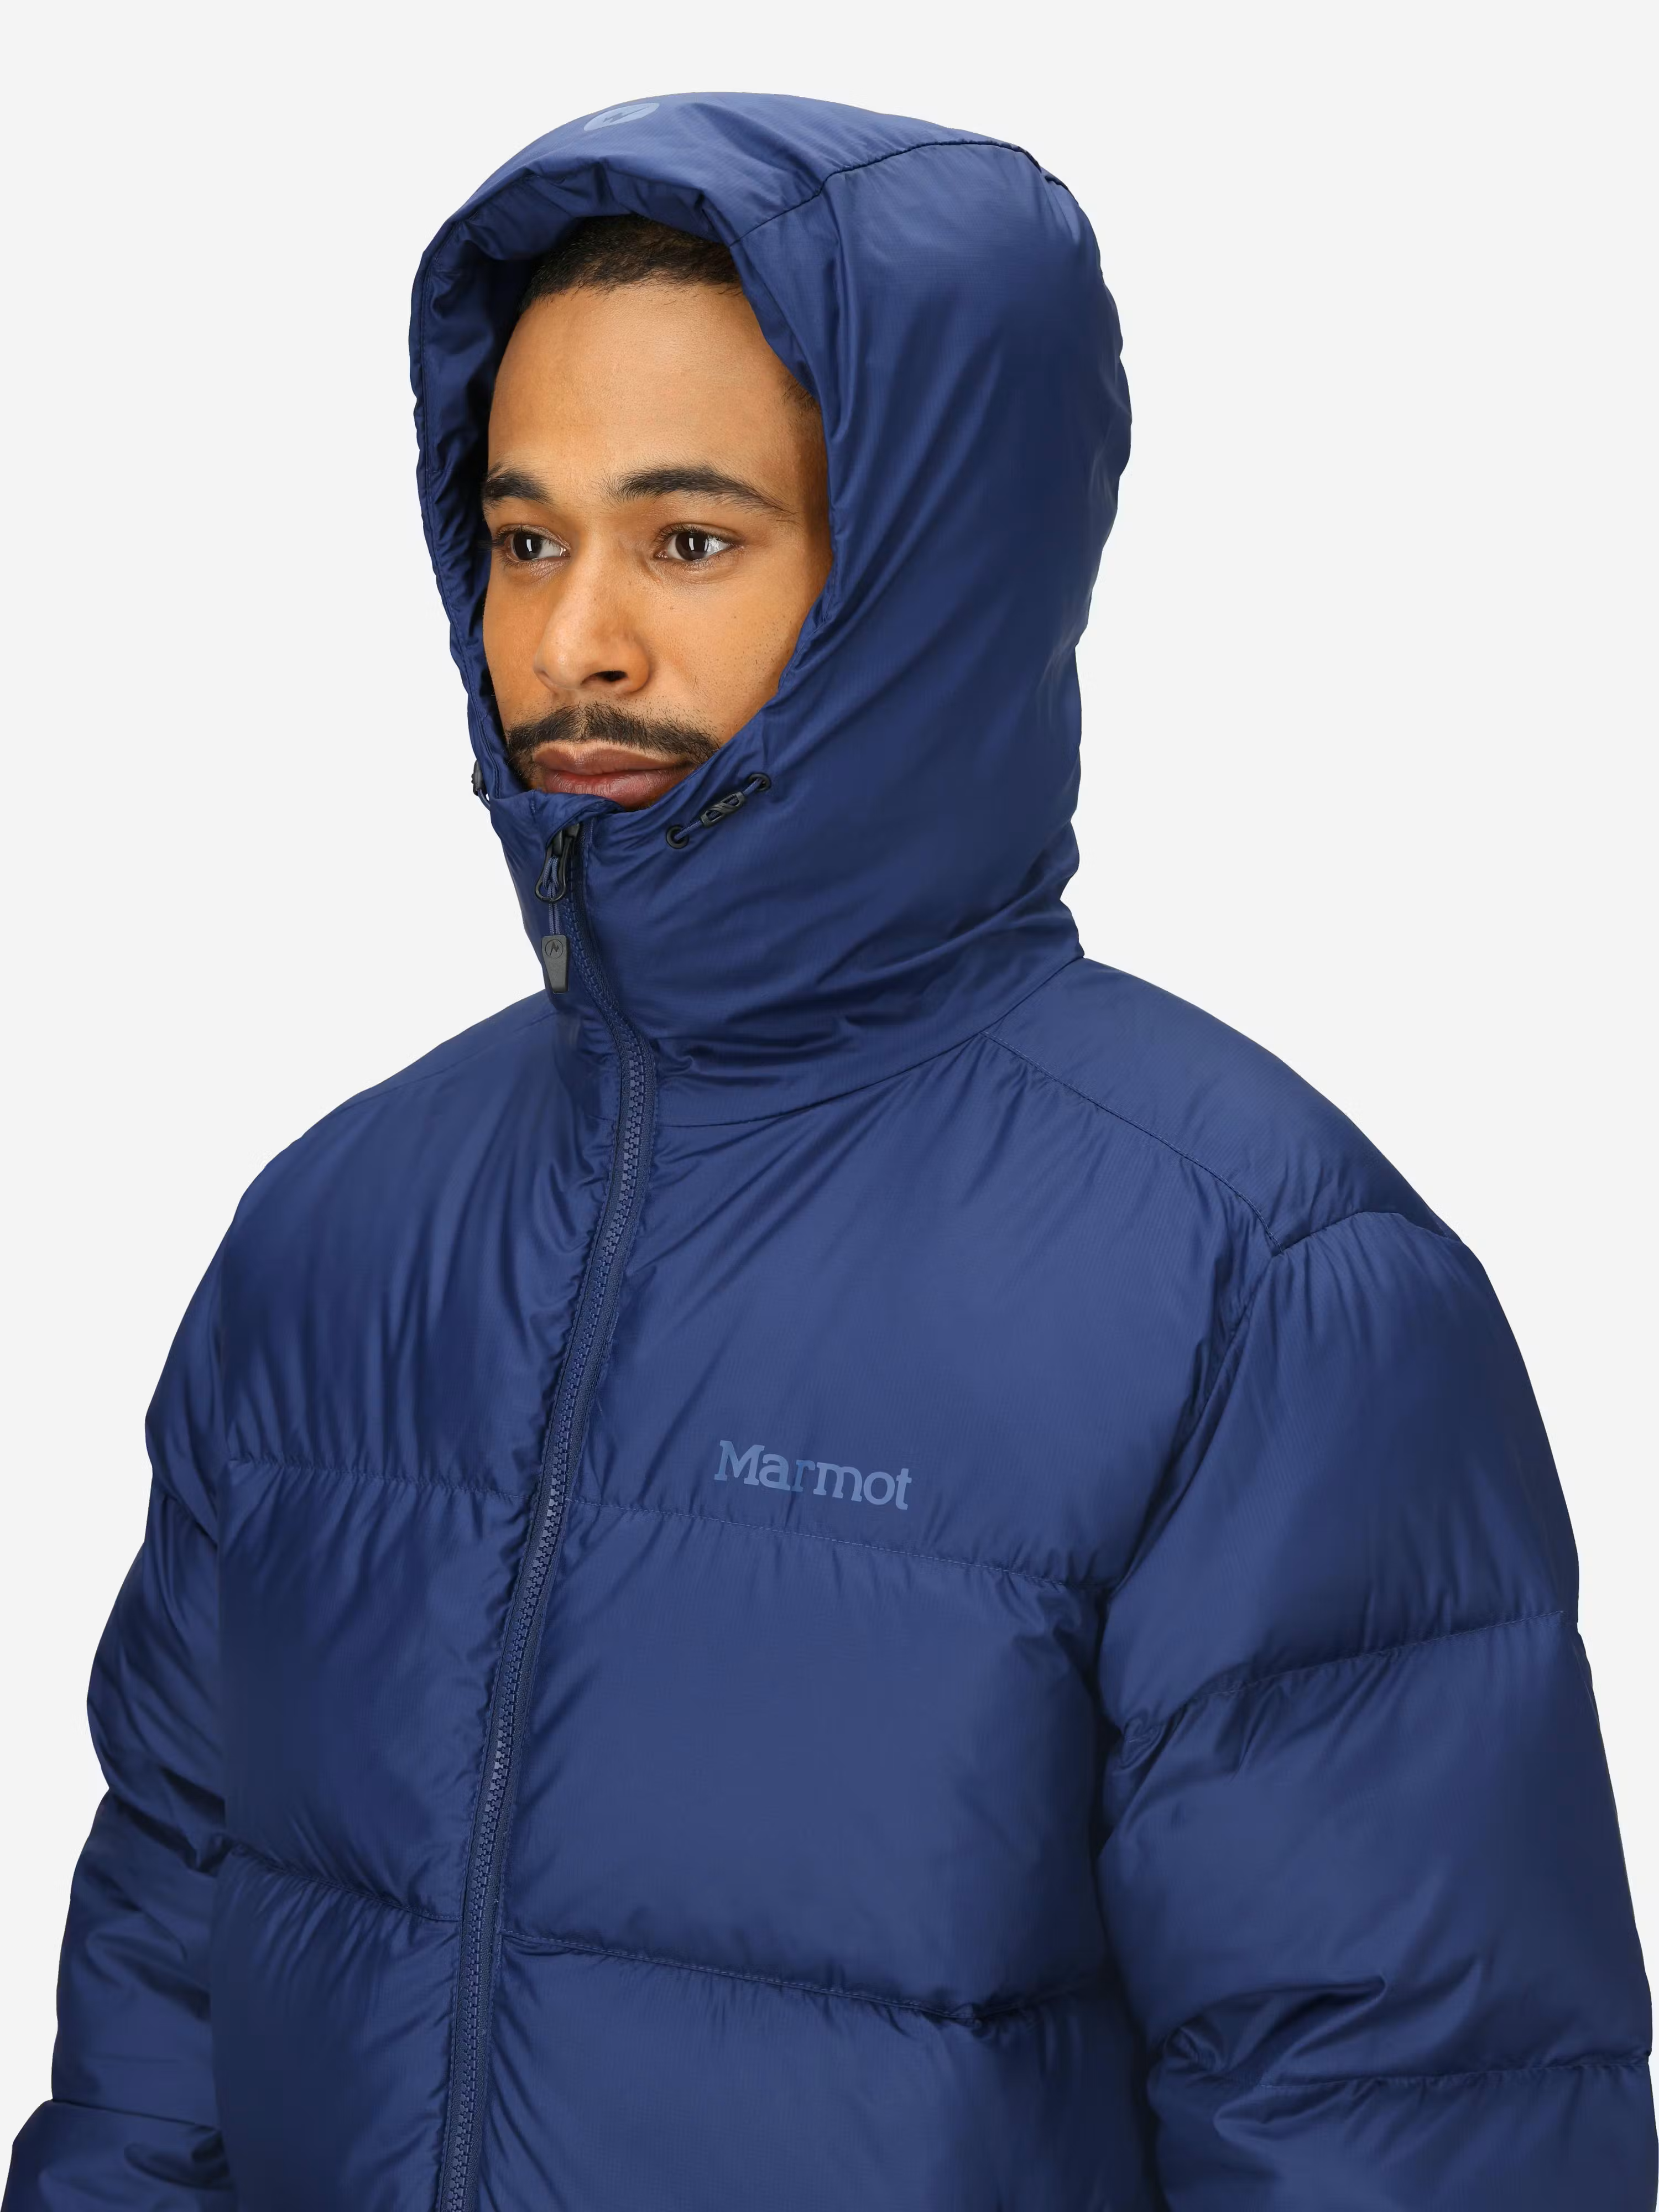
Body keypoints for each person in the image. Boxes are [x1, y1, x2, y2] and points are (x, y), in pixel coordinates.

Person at [4, 90, 1653, 2212]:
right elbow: (160, 2035)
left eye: (689, 540)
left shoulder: (1255, 1285)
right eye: (526, 539)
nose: (575, 642)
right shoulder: (336, 1238)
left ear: (926, 578)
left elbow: (1408, 2139)